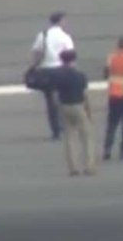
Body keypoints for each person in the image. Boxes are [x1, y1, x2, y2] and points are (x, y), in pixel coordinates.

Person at [29, 11, 75, 140]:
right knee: (64, 99)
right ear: (61, 21)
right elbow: (70, 56)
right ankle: (64, 125)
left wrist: (34, 66)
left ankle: (55, 131)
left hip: (46, 71)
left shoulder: (42, 35)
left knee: (50, 102)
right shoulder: (65, 37)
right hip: (61, 70)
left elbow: (36, 53)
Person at [53, 49, 96, 176]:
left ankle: (73, 167)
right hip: (78, 106)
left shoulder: (58, 76)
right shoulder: (80, 75)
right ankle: (89, 166)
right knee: (86, 137)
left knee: (70, 138)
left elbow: (55, 95)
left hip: (64, 106)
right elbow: (85, 95)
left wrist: (58, 109)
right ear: (74, 60)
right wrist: (88, 111)